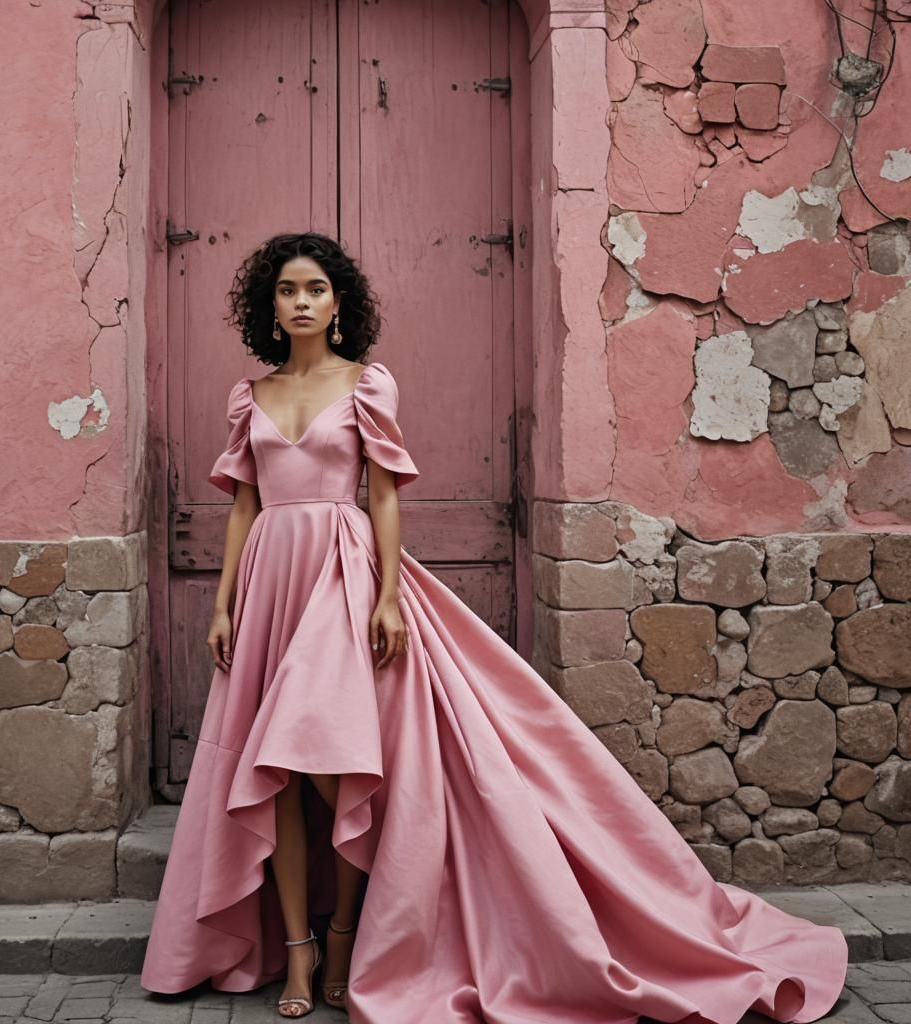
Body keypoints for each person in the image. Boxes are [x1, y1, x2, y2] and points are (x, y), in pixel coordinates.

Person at [140, 232, 850, 1022]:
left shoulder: (366, 386)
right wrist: (223, 601)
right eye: (286, 290)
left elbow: (381, 496)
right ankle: (300, 957)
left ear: (338, 303)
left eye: (314, 288)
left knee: (333, 765)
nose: (300, 301)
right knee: (274, 775)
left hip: (344, 577)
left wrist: (384, 597)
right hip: (272, 580)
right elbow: (244, 503)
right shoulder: (253, 397)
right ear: (269, 307)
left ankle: (344, 937)